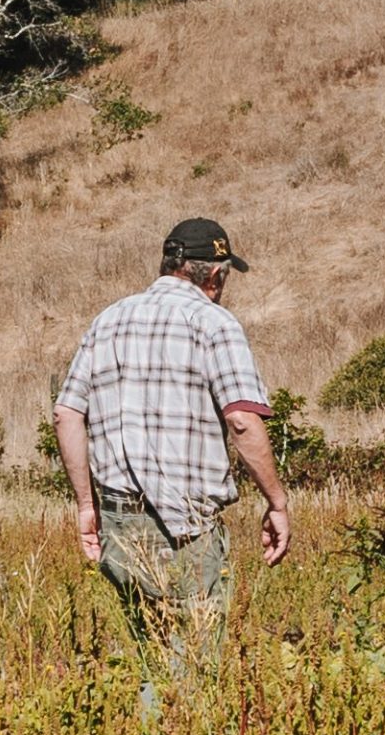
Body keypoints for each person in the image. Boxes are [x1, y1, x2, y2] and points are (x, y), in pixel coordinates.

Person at [51, 214, 292, 678]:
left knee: (153, 664)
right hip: (186, 529)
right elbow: (242, 421)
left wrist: (87, 504)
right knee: (194, 669)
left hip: (120, 525)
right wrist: (276, 501)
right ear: (216, 276)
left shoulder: (108, 320)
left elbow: (67, 414)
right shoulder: (214, 323)